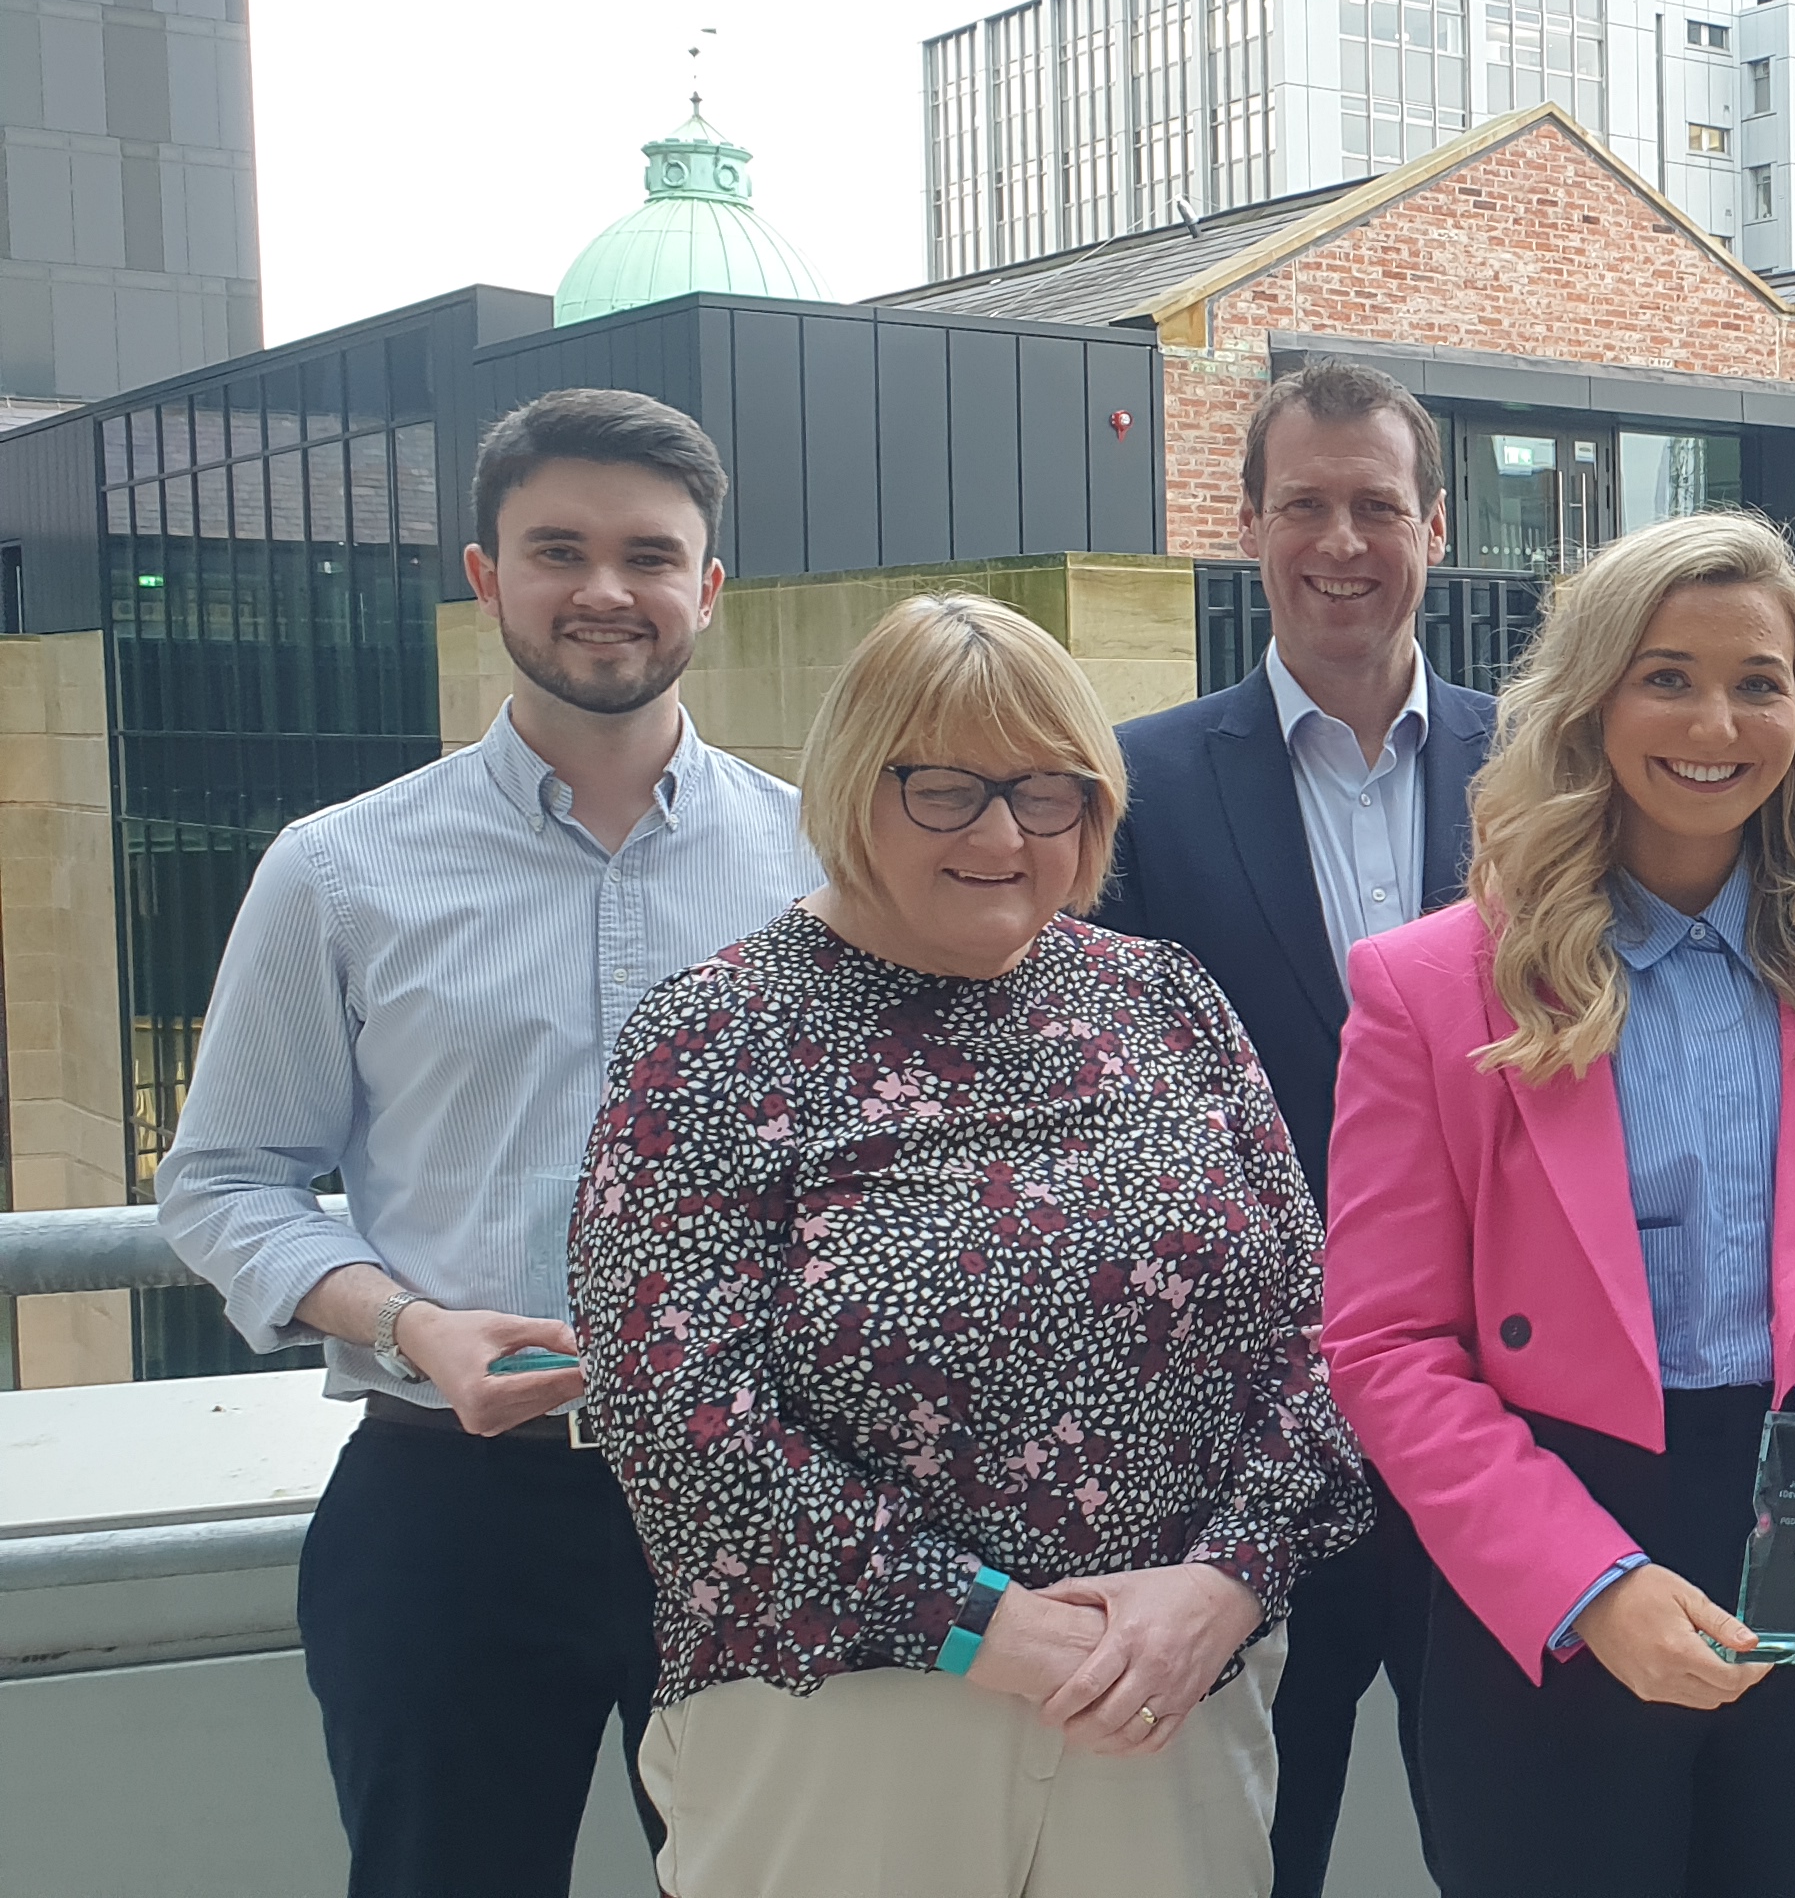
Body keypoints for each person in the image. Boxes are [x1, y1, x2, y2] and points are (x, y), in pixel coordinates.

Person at [568, 592, 1374, 1898]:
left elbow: (1321, 1335)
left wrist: (1228, 1584)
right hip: (845, 1724)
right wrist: (975, 1628)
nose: (1002, 835)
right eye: (945, 789)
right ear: (853, 782)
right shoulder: (718, 1037)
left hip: (1161, 1703)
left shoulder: (1166, 1001)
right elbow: (678, 1418)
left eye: (1048, 793)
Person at [154, 388, 812, 1898]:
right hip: (443, 1502)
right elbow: (224, 1179)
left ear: (709, 590)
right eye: (557, 548)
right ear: (483, 577)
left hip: (760, 1497)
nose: (604, 590)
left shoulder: (821, 862)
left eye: (650, 555)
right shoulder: (338, 869)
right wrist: (409, 1323)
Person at [1318, 510, 1795, 1898]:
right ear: (1591, 701)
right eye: (1668, 674)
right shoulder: (1429, 987)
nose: (1718, 718)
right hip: (1560, 1532)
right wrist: (1587, 1584)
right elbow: (1384, 1348)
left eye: (1760, 681)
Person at [1087, 359, 1494, 1896]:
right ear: (1247, 524)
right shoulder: (1136, 785)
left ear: (1433, 527)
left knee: (1513, 1843)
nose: (1343, 542)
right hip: (1240, 1447)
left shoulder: (1548, 778)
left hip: (1489, 1417)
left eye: (1376, 506)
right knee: (1259, 1852)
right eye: (1305, 506)